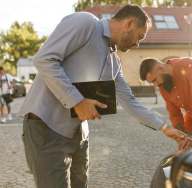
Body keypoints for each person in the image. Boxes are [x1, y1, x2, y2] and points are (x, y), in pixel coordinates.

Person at [19, 5, 183, 188]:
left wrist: (164, 126)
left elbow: (129, 101)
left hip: (79, 135)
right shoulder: (85, 23)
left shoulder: (114, 62)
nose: (138, 44)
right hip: (46, 128)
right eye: (140, 36)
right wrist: (77, 101)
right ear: (129, 23)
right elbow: (44, 59)